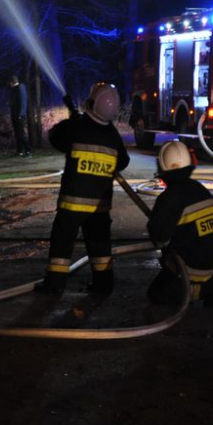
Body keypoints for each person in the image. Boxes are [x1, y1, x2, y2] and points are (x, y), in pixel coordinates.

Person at [37, 82, 130, 295]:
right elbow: (123, 161)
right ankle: (104, 284)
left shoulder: (78, 127)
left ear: (91, 103)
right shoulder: (113, 136)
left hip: (72, 204)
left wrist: (72, 121)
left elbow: (55, 137)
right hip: (99, 207)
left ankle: (55, 285)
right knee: (100, 247)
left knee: (62, 244)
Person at [146, 141, 213, 307]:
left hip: (192, 266)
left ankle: (202, 290)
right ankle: (209, 284)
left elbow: (159, 239)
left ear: (162, 168)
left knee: (156, 294)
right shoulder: (200, 189)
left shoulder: (170, 198)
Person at [8, 75, 31, 157]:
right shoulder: (16, 89)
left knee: (21, 134)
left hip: (19, 115)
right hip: (15, 114)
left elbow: (22, 103)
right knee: (18, 134)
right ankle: (20, 151)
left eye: (10, 83)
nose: (9, 85)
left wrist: (20, 114)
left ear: (12, 82)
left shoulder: (19, 89)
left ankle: (28, 150)